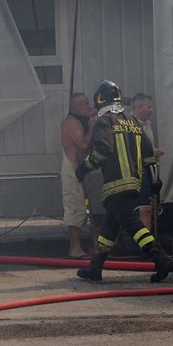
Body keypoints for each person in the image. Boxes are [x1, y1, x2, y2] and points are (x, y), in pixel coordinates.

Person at [75, 80, 173, 282]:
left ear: (101, 99)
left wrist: (84, 168)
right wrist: (155, 182)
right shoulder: (132, 121)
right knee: (109, 228)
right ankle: (95, 267)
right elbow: (149, 155)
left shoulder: (104, 122)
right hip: (135, 183)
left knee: (132, 225)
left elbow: (103, 150)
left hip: (116, 184)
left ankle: (161, 258)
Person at [61, 93, 97, 258]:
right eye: (84, 104)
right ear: (75, 107)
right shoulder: (71, 122)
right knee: (75, 208)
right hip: (72, 169)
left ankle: (87, 246)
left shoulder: (79, 120)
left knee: (83, 210)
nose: (88, 107)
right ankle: (74, 249)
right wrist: (92, 126)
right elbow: (83, 145)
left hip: (81, 170)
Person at [131, 93, 164, 230]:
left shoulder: (148, 124)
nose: (151, 110)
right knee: (143, 209)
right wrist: (151, 152)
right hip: (137, 173)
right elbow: (131, 150)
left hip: (150, 172)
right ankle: (144, 246)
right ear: (138, 107)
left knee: (149, 208)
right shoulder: (129, 124)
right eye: (148, 107)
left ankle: (149, 242)